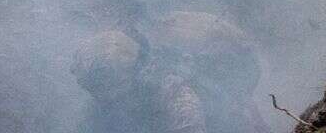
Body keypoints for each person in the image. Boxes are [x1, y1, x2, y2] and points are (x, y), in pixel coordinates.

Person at [72, 14, 270, 133]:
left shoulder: (174, 90)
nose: (103, 96)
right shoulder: (102, 89)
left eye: (109, 89)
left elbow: (189, 127)